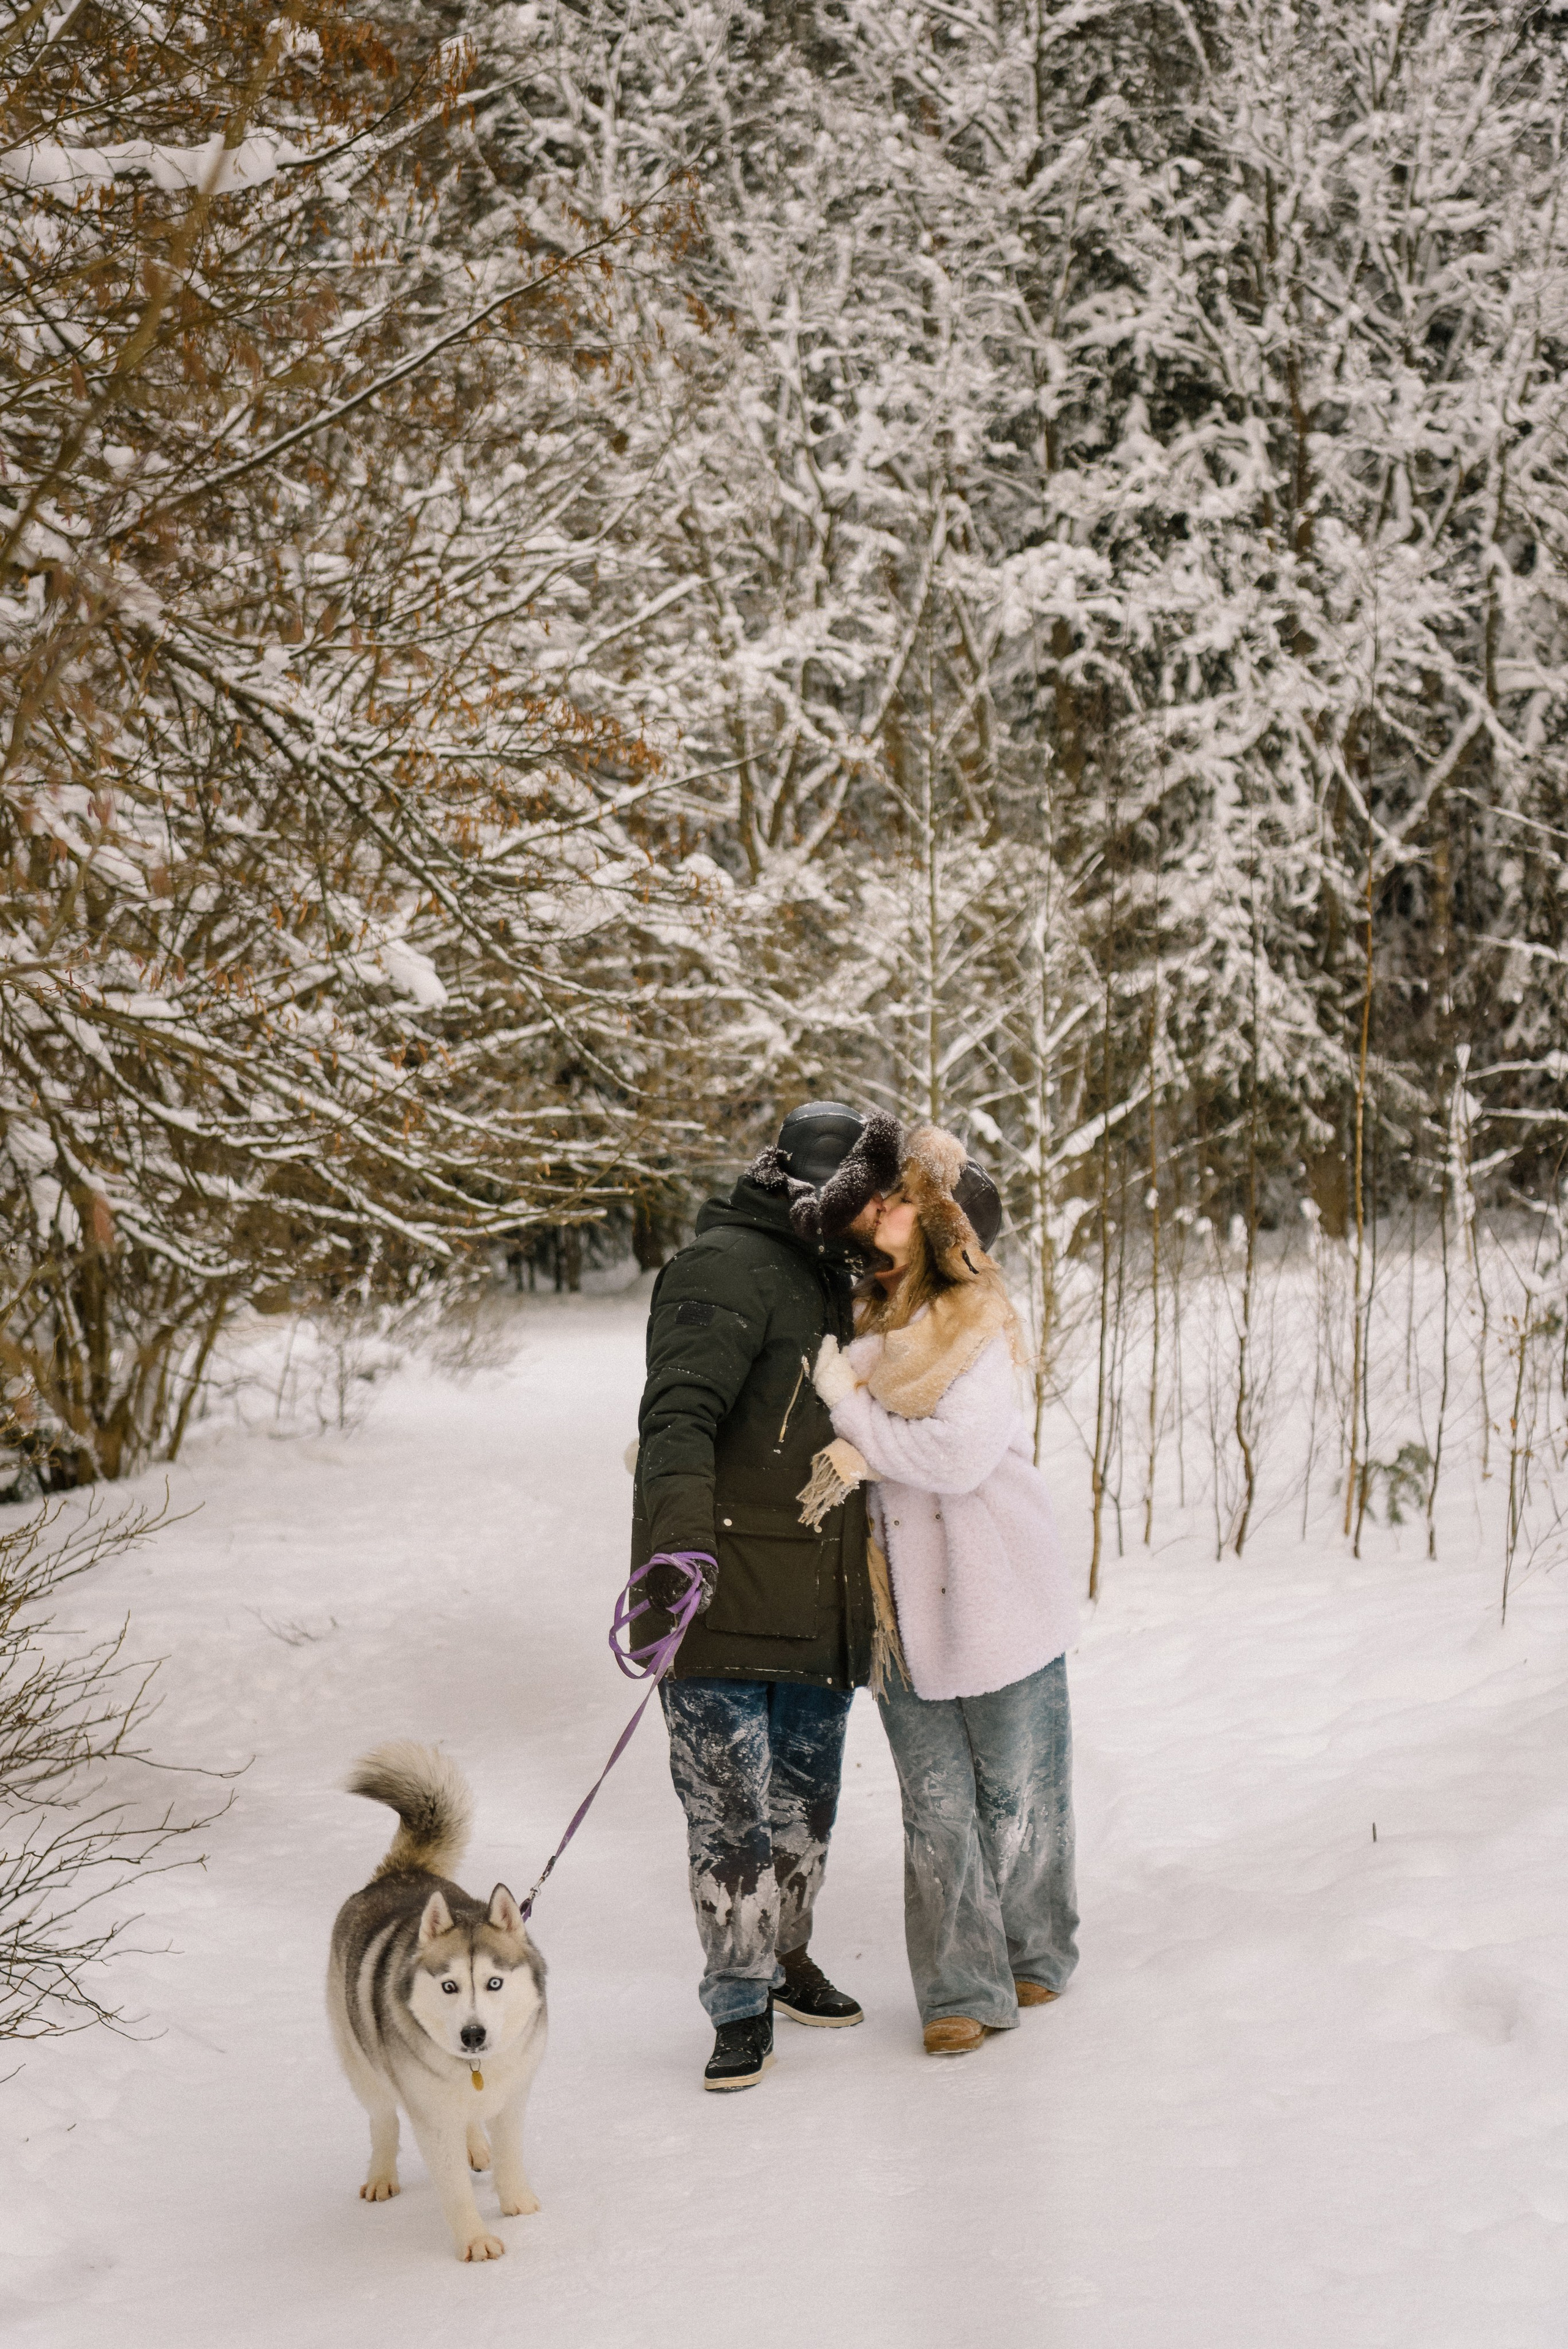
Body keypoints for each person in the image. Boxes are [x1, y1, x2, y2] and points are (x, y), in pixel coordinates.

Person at [630, 1101, 903, 2089]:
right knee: (728, 1816)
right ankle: (738, 2003)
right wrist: (677, 1558)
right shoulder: (720, 1269)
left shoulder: (840, 1282)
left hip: (816, 1601)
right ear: (823, 1190)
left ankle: (785, 1960)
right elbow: (677, 1421)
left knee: (805, 1807)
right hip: (719, 1596)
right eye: (868, 1195)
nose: (879, 1214)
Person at [805, 1125, 1080, 2055]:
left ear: (937, 1222)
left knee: (1023, 1790)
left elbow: (956, 1457)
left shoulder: (979, 1323)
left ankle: (1038, 1947)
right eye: (874, 1205)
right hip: (898, 1613)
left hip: (999, 1588)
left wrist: (853, 1418)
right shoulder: (859, 1325)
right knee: (938, 1807)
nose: (877, 1215)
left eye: (896, 1203)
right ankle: (961, 1988)